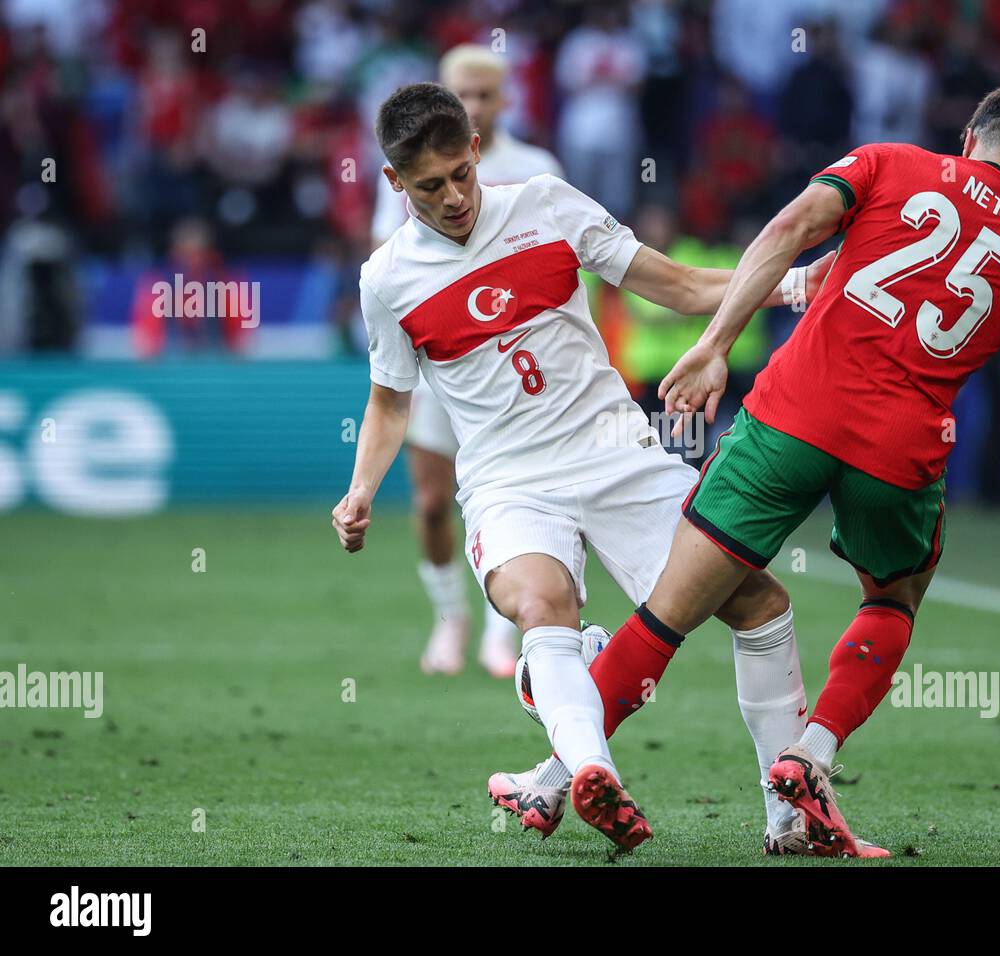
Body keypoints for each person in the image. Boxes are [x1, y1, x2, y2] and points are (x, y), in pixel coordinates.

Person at [504, 83, 1000, 856]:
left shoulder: (888, 162)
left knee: (666, 616)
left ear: (970, 136)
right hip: (898, 453)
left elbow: (790, 227)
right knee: (893, 600)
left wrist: (715, 343)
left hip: (790, 417)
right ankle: (813, 755)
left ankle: (554, 777)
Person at [333, 82, 828, 852]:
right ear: (395, 182)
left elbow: (681, 285)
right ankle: (596, 774)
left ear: (475, 151)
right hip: (509, 481)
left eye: (462, 172)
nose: (456, 196)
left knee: (758, 603)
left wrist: (793, 284)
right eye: (430, 187)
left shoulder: (544, 203)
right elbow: (390, 403)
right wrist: (360, 489)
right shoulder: (387, 279)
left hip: (618, 455)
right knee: (542, 604)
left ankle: (790, 819)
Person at [371, 45, 562, 680]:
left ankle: (501, 633)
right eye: (464, 93)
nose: (474, 103)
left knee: (527, 499)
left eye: (485, 94)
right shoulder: (405, 168)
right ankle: (449, 616)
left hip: (516, 371)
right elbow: (390, 259)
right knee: (431, 503)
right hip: (443, 365)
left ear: (502, 101)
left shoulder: (536, 167)